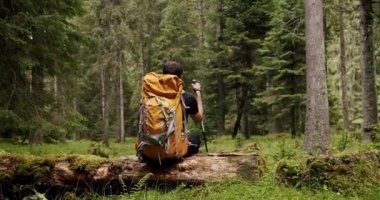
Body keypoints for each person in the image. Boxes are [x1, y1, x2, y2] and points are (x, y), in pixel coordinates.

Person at [162, 61, 204, 157]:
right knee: (195, 138)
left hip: (151, 151)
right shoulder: (187, 98)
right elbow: (199, 118)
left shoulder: (152, 96)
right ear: (181, 77)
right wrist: (197, 92)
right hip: (174, 150)